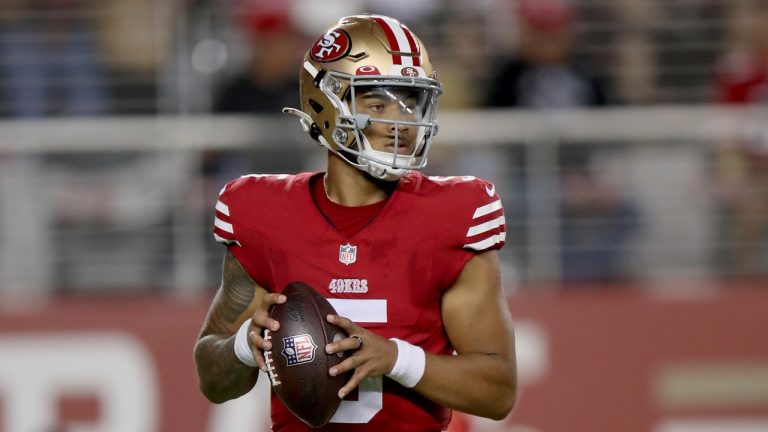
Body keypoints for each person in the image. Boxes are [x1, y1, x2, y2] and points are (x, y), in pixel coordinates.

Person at [194, 14, 517, 431]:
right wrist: (243, 346)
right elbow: (212, 379)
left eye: (410, 102)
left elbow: (498, 392)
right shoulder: (262, 215)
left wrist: (398, 359)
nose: (400, 122)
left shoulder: (453, 214)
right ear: (325, 104)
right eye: (377, 103)